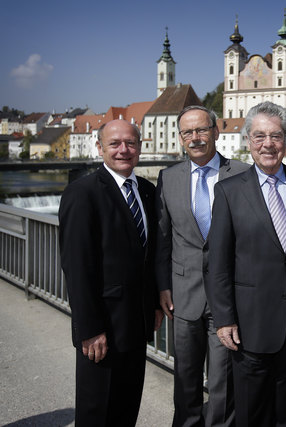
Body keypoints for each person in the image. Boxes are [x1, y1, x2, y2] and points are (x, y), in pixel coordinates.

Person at [204, 101, 286, 427]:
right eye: (259, 136)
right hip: (249, 324)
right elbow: (218, 264)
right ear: (247, 141)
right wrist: (225, 318)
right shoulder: (229, 191)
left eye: (275, 136)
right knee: (251, 413)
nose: (267, 144)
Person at [59, 119, 163, 426]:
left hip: (137, 323)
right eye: (115, 143)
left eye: (130, 143)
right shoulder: (82, 193)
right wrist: (89, 329)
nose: (123, 150)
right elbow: (77, 267)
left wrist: (154, 304)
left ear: (140, 148)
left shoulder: (145, 190)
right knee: (96, 411)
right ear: (100, 147)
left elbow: (149, 255)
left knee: (126, 407)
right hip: (102, 327)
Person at [156, 105, 249, 426]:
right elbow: (163, 240)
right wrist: (163, 286)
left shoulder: (241, 173)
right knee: (185, 380)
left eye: (201, 130)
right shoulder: (168, 178)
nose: (195, 138)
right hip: (184, 295)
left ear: (216, 131)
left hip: (229, 298)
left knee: (224, 385)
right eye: (187, 132)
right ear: (180, 138)